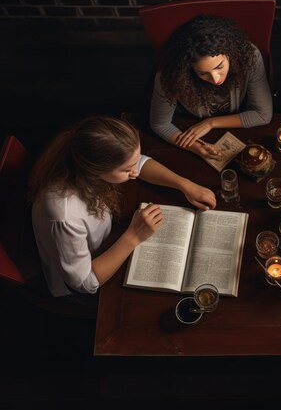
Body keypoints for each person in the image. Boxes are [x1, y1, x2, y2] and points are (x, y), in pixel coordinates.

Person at [30, 116, 217, 300]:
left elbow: (139, 162)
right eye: (127, 170)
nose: (135, 172)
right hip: (91, 273)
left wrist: (185, 185)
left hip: (109, 237)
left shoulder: (85, 161)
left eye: (133, 164)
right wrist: (134, 236)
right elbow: (84, 283)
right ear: (96, 169)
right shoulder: (65, 213)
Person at [150, 15, 273, 160]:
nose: (215, 79)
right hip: (187, 123)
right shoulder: (170, 74)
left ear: (230, 52)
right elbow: (160, 124)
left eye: (219, 66)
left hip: (235, 125)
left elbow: (263, 115)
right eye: (203, 73)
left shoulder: (249, 56)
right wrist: (197, 148)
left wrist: (211, 123)